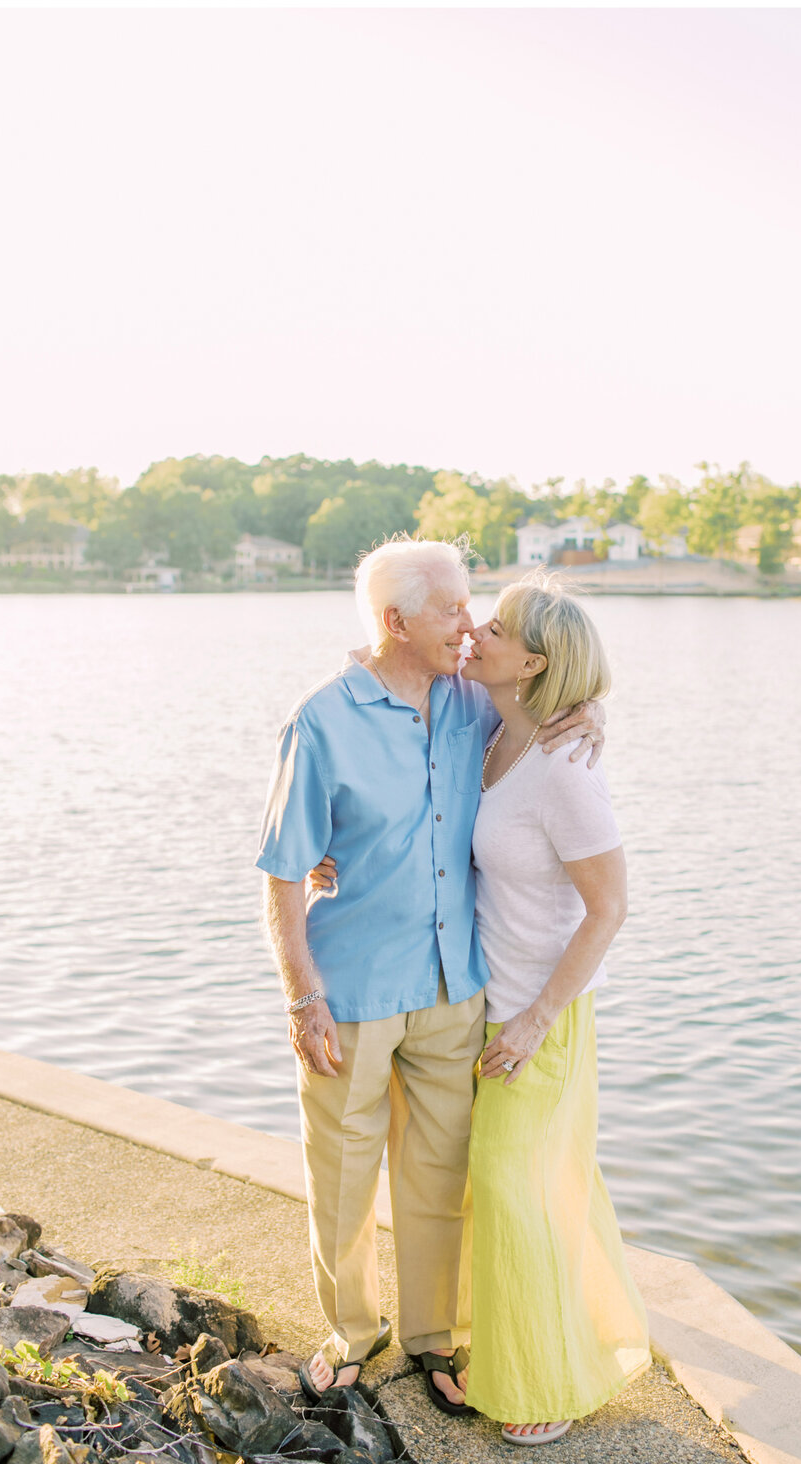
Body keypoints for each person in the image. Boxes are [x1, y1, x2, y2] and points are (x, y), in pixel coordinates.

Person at [256, 538, 604, 1412]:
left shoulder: (469, 704)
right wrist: (303, 997)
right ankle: (352, 1332)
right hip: (354, 994)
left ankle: (429, 1336)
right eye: (453, 609)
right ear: (394, 621)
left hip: (457, 990)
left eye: (471, 606)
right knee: (341, 1174)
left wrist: (593, 711)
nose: (470, 623)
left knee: (440, 1178)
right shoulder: (323, 721)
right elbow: (284, 874)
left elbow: (548, 714)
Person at [459, 575, 650, 1446]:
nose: (474, 630)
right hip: (490, 1006)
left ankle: (546, 1383)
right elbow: (381, 665)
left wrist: (536, 1020)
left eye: (493, 626)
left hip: (542, 1020)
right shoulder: (494, 727)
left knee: (514, 1190)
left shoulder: (566, 767)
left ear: (532, 661)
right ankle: (520, 1352)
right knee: (530, 1188)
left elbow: (609, 905)